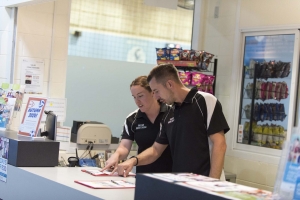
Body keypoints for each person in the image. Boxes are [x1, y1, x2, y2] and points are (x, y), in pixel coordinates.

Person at [115, 64, 229, 179]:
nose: (155, 97)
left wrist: (212, 183)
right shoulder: (169, 114)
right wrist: (133, 161)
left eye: (156, 91)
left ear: (169, 84)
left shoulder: (205, 101)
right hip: (181, 183)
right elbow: (155, 150)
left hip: (206, 183)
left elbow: (220, 144)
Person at [102, 76, 172, 173]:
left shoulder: (172, 114)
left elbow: (156, 150)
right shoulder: (132, 119)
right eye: (134, 97)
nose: (137, 101)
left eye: (140, 96)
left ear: (153, 93)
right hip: (144, 174)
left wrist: (133, 160)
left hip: (171, 174)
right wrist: (116, 155)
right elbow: (125, 147)